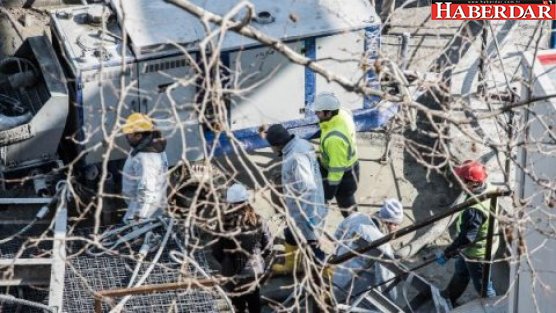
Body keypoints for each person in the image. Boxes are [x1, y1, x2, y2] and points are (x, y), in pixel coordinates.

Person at [264, 124, 328, 275]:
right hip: (300, 209)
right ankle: (291, 265)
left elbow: (306, 187)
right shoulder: (300, 143)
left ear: (276, 145)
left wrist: (302, 214)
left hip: (306, 211)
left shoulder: (295, 157)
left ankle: (327, 275)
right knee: (290, 233)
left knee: (312, 245)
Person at [436, 160, 498, 306]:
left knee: (483, 287)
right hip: (474, 248)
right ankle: (448, 297)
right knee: (461, 272)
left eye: (462, 179)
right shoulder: (488, 188)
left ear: (472, 183)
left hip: (478, 253)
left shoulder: (474, 210)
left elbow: (467, 238)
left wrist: (447, 253)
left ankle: (494, 307)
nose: (459, 181)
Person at [331, 198, 404, 305]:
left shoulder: (356, 217)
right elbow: (385, 281)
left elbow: (336, 238)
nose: (397, 229)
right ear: (389, 223)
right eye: (397, 225)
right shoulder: (382, 245)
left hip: (334, 279)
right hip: (349, 293)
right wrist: (392, 304)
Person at [212, 183, 271, 313]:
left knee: (238, 307)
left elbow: (216, 251)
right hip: (254, 273)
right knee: (254, 303)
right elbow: (268, 247)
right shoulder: (258, 220)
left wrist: (228, 263)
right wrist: (257, 260)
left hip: (233, 276)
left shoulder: (223, 224)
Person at [313, 92, 359, 218]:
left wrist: (328, 194)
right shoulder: (342, 114)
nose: (316, 114)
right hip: (350, 169)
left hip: (344, 179)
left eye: (319, 112)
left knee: (348, 211)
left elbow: (336, 171)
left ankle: (356, 232)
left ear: (328, 113)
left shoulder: (334, 139)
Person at [121, 113, 169, 223]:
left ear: (139, 136)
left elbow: (147, 191)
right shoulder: (148, 146)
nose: (126, 136)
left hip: (145, 213)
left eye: (129, 134)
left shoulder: (145, 157)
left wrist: (138, 218)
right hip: (150, 209)